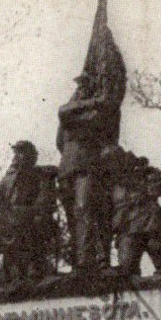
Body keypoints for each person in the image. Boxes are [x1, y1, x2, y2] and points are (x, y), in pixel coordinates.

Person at [56, 71, 120, 271]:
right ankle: (79, 259)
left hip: (88, 167)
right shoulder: (73, 112)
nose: (79, 91)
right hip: (68, 168)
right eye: (78, 87)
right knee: (72, 215)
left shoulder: (96, 115)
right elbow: (62, 118)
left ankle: (91, 260)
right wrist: (92, 102)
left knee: (86, 209)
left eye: (84, 87)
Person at [101, 144, 161, 290]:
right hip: (127, 231)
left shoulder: (145, 173)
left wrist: (151, 189)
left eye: (115, 161)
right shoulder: (109, 186)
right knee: (126, 273)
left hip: (152, 226)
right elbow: (105, 217)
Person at [0, 141, 42, 285]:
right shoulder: (6, 180)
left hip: (30, 228)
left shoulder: (39, 176)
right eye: (16, 153)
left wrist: (26, 213)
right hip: (9, 231)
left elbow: (43, 203)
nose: (17, 156)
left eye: (22, 152)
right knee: (10, 274)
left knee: (31, 274)